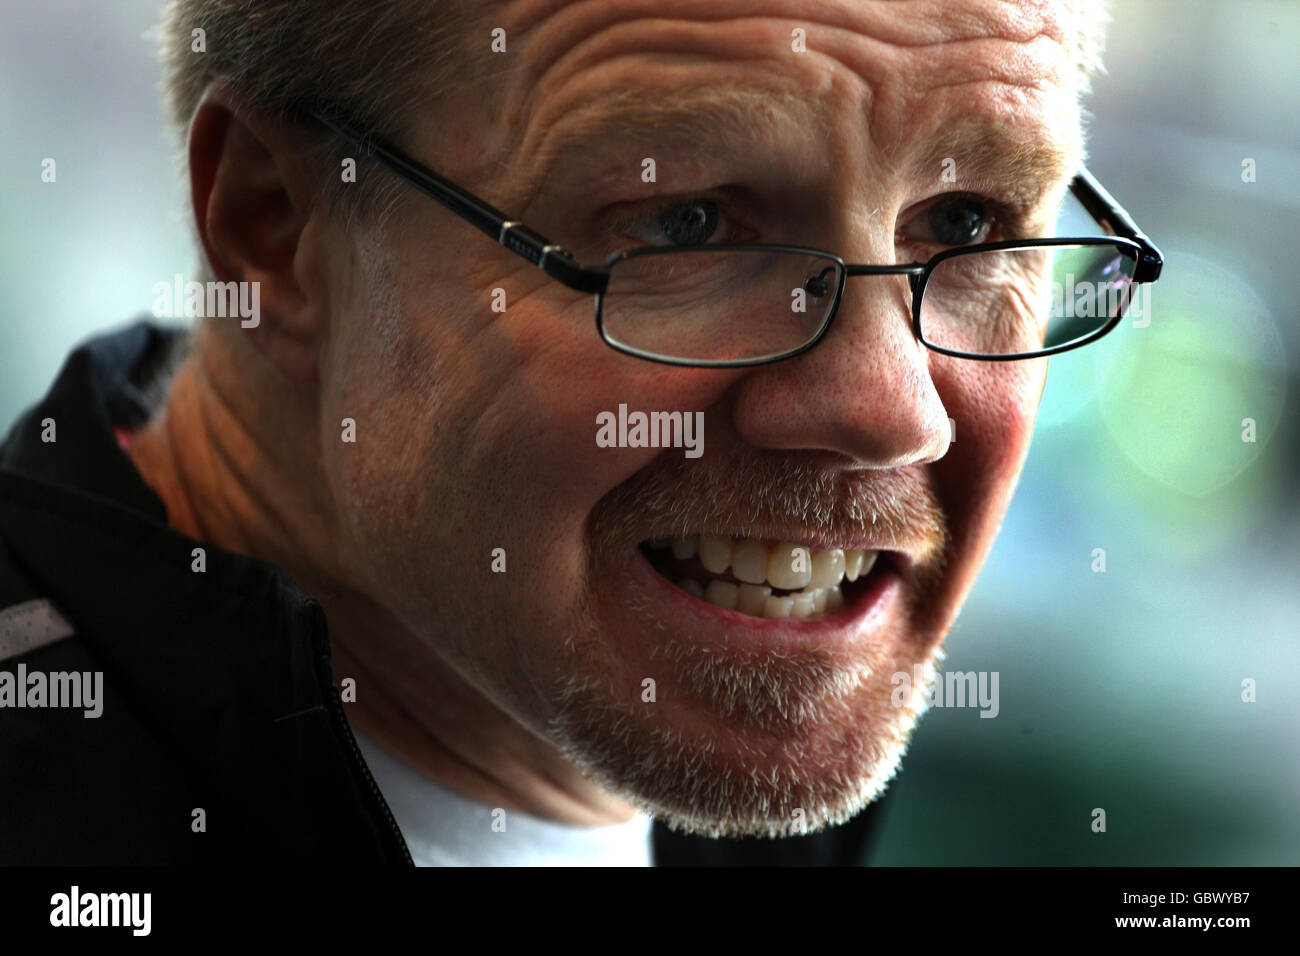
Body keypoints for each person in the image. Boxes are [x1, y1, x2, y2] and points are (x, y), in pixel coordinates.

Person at [0, 0, 1160, 865]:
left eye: (967, 222)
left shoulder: (702, 744)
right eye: (685, 221)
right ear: (275, 229)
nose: (886, 407)